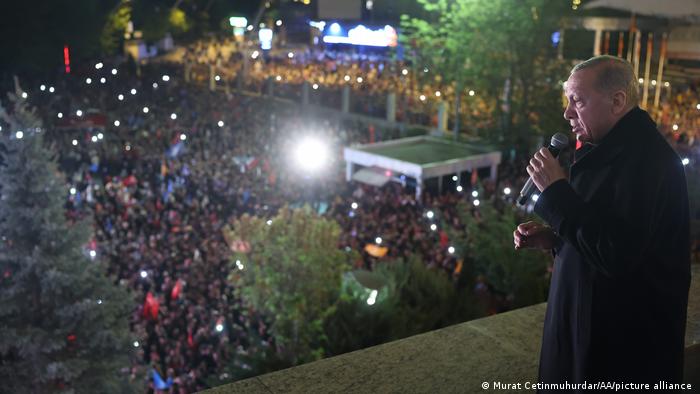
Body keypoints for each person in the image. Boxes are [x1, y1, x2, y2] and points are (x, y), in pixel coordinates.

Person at [513, 55, 691, 391]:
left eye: (577, 100)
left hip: (621, 351)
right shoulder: (601, 151)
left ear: (618, 101)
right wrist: (556, 238)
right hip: (583, 333)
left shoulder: (648, 162)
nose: (567, 113)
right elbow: (603, 230)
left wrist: (556, 192)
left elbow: (617, 254)